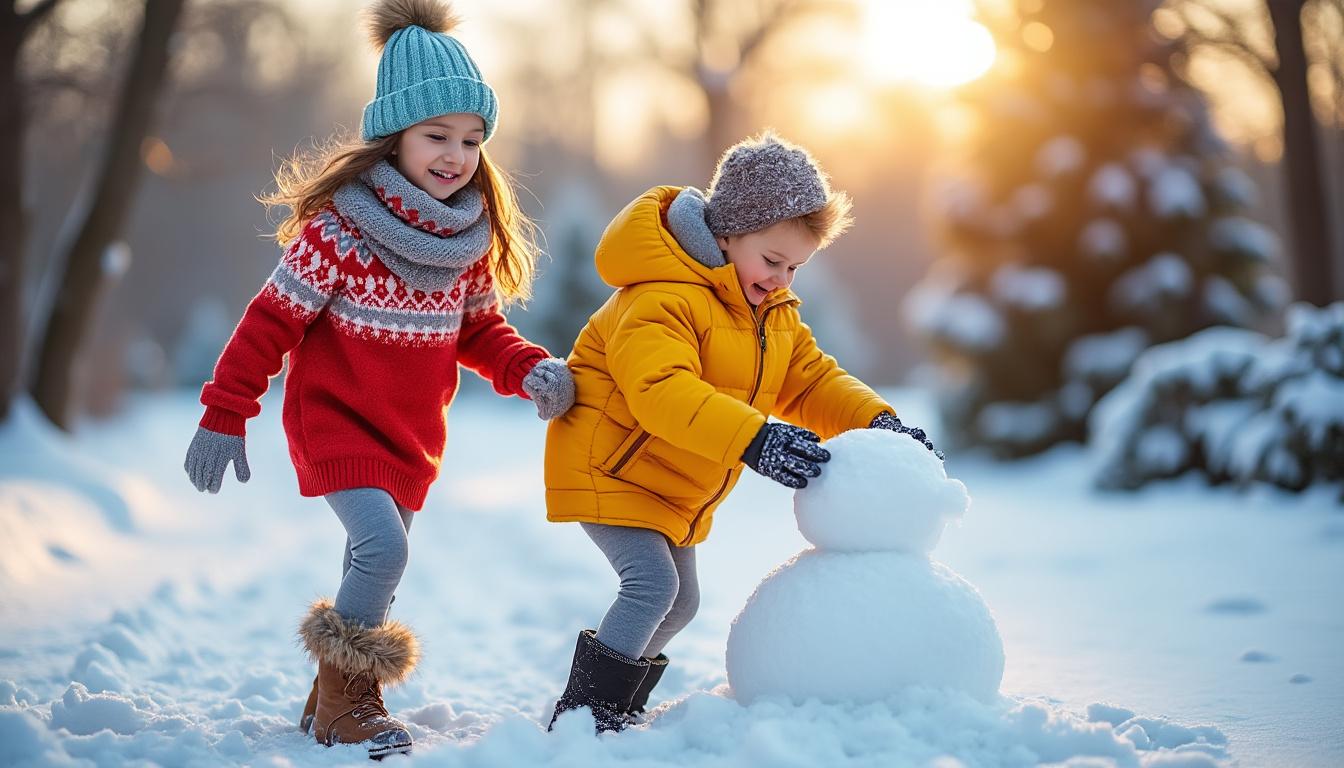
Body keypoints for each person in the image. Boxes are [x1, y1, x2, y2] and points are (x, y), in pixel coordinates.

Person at [182, 0, 573, 757]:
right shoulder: (340, 231)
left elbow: (479, 331)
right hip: (333, 421)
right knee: (382, 551)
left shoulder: (465, 242)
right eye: (437, 136)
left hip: (410, 437)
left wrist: (528, 369)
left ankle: (330, 695)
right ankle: (345, 705)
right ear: (393, 137)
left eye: (471, 139)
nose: (457, 155)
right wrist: (225, 411)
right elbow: (270, 322)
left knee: (377, 568)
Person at [543, 131, 941, 732]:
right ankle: (585, 718)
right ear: (726, 235)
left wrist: (880, 423)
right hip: (612, 466)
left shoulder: (771, 315)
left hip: (670, 479)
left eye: (795, 267)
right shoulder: (661, 297)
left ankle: (615, 705)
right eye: (771, 261)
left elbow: (810, 382)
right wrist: (755, 439)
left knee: (682, 600)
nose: (781, 278)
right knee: (651, 585)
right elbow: (661, 393)